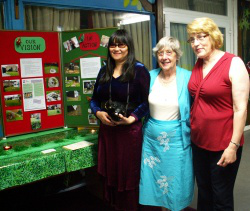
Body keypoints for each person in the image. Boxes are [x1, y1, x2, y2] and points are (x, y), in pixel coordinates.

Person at [187, 17, 250, 210]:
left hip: (223, 144)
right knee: (204, 193)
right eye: (192, 39)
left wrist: (232, 147)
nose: (196, 43)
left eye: (201, 37)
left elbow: (241, 109)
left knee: (221, 197)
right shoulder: (199, 62)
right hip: (199, 142)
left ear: (213, 36)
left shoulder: (234, 63)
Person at [90, 29, 150, 211]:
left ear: (128, 47)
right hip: (108, 132)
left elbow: (148, 101)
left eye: (121, 44)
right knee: (111, 172)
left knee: (128, 174)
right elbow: (93, 99)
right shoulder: (104, 70)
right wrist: (98, 113)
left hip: (129, 133)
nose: (116, 49)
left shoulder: (139, 70)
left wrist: (132, 118)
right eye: (113, 45)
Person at [139, 36, 194, 211]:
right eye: (160, 53)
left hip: (177, 141)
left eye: (169, 52)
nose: (164, 57)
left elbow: (197, 107)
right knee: (154, 181)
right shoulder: (149, 76)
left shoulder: (187, 77)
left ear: (177, 55)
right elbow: (140, 104)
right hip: (151, 142)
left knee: (175, 183)